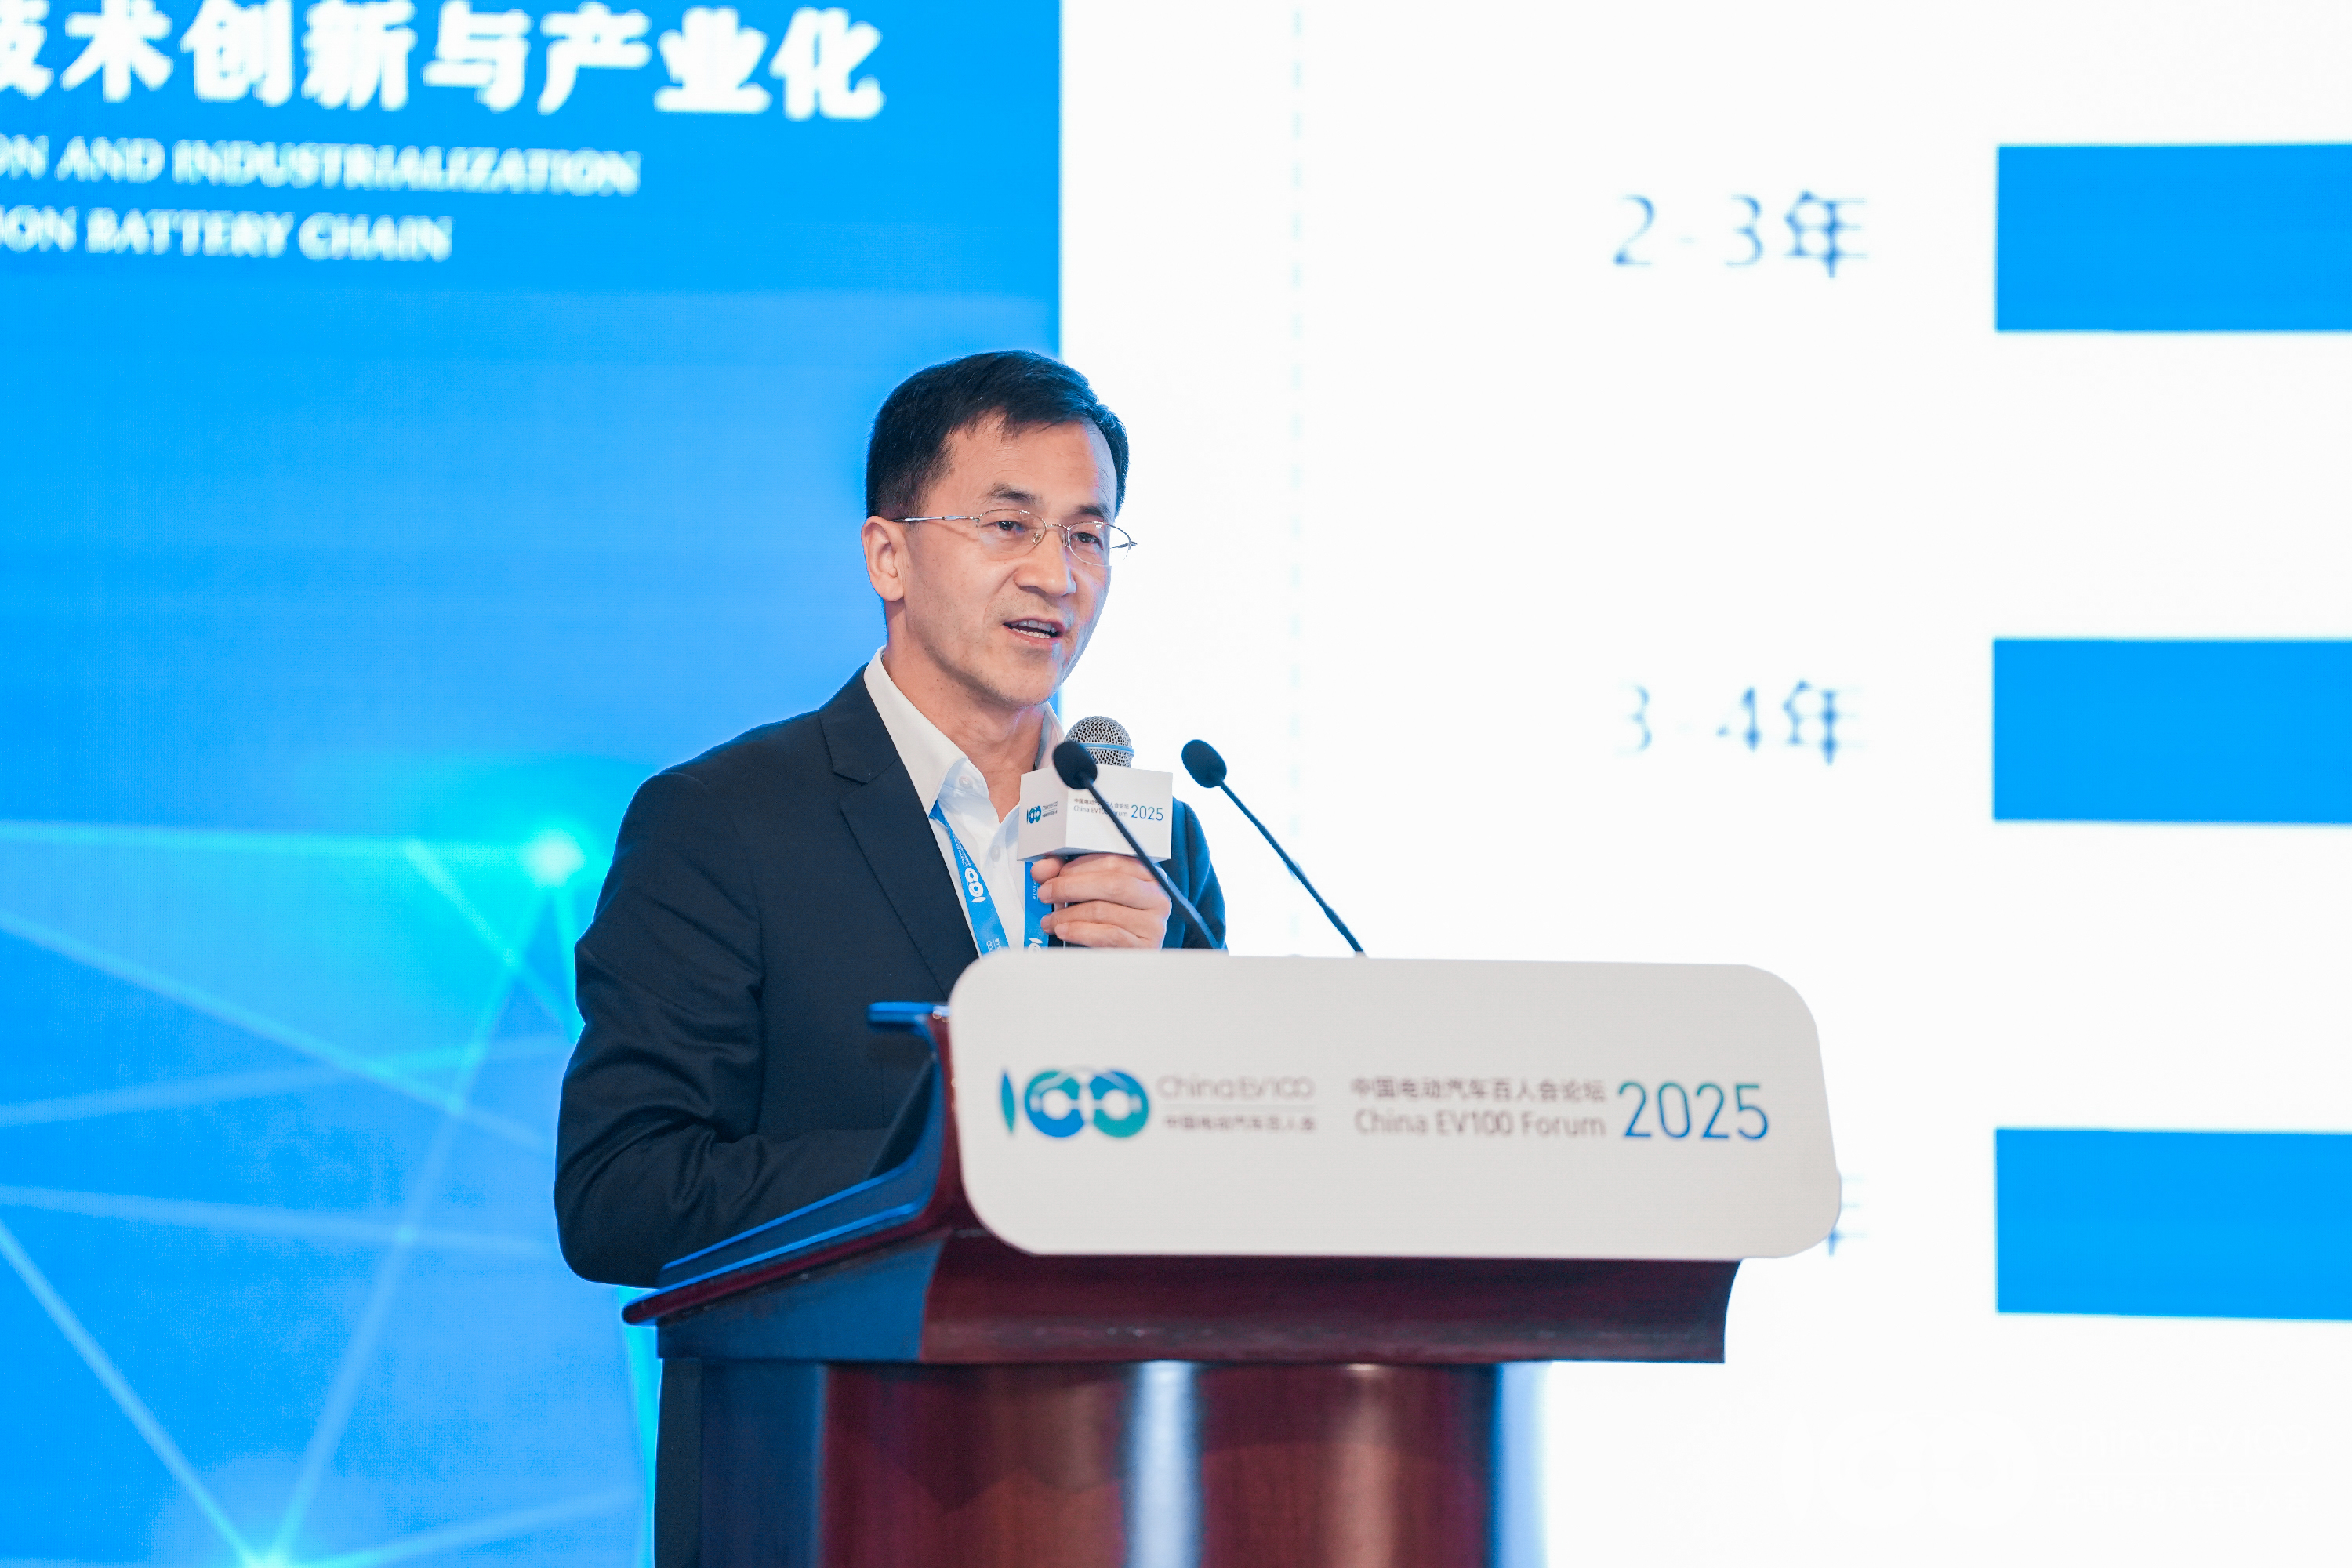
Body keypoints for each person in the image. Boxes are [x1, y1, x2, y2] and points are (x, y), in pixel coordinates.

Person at [553, 350, 1225, 1565]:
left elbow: (1215, 1172)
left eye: (1088, 535)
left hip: (1118, 1489)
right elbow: (621, 1196)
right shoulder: (726, 822)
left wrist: (1156, 1017)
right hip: (831, 1484)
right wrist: (962, 1160)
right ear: (889, 557)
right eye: (1008, 526)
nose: (1057, 574)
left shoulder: (1151, 841)